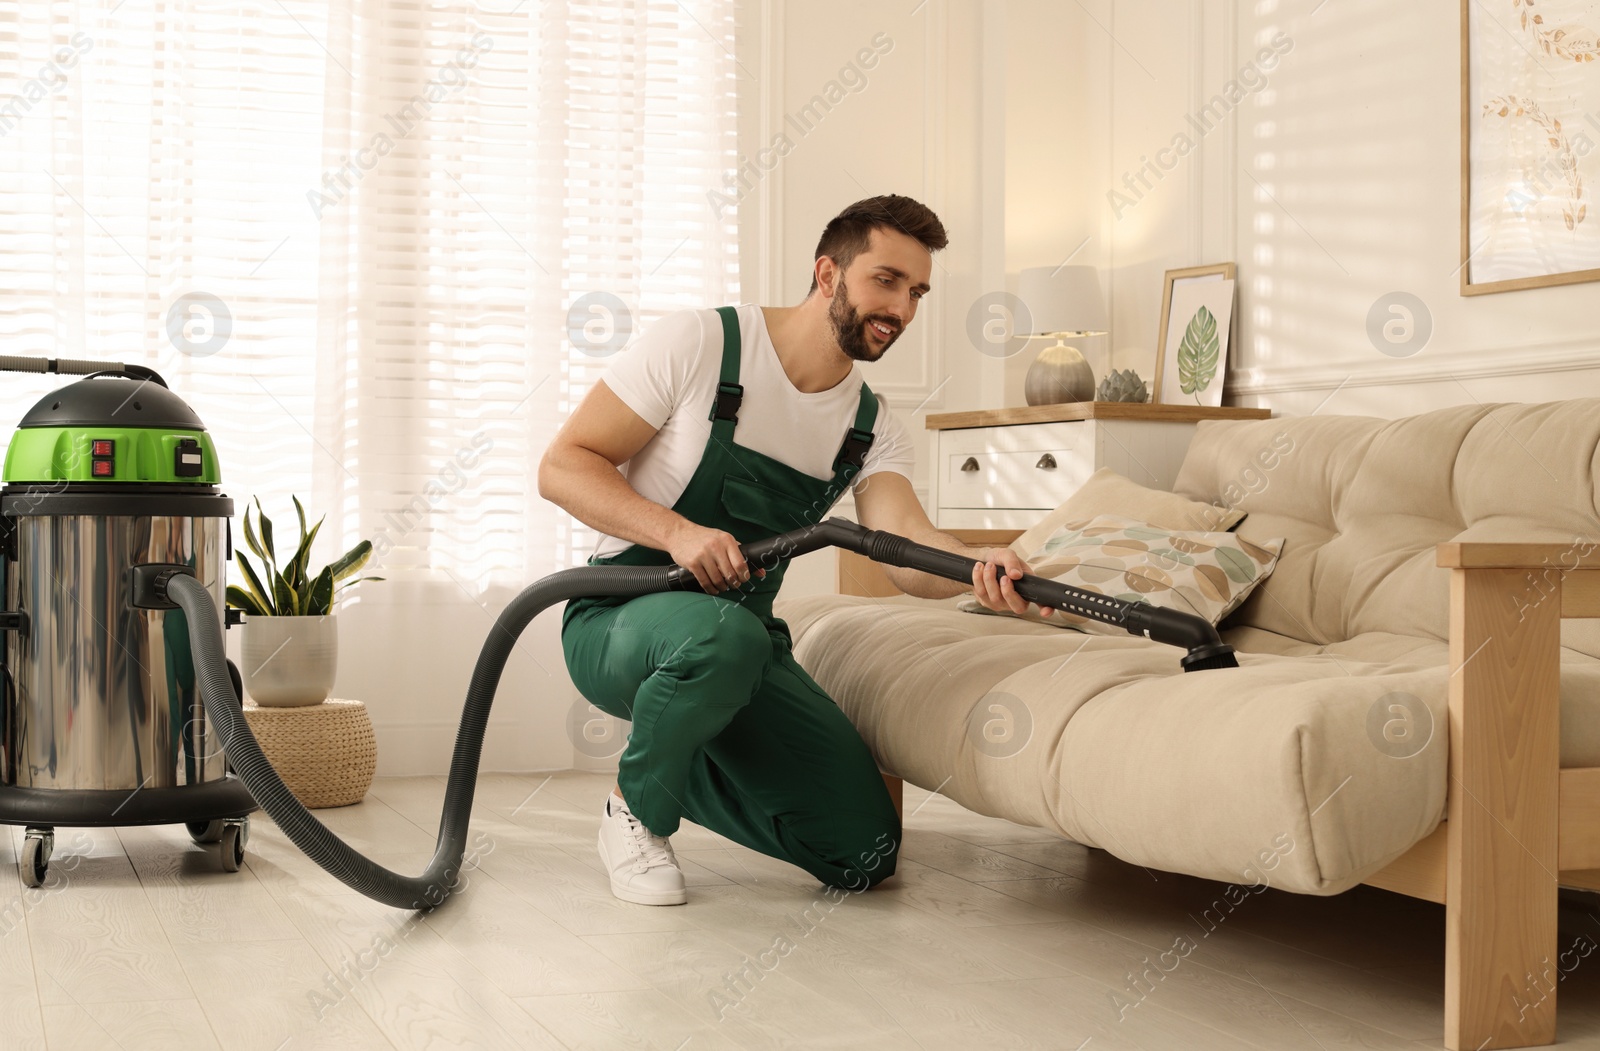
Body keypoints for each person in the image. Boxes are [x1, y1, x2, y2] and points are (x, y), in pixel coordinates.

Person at [538, 194, 1054, 906]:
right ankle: (636, 813)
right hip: (619, 616)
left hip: (742, 645)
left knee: (864, 849)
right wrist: (679, 534)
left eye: (917, 292)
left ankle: (671, 752)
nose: (901, 309)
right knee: (722, 639)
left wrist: (976, 567)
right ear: (827, 274)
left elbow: (905, 548)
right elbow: (563, 464)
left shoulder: (871, 428)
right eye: (886, 280)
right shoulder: (702, 344)